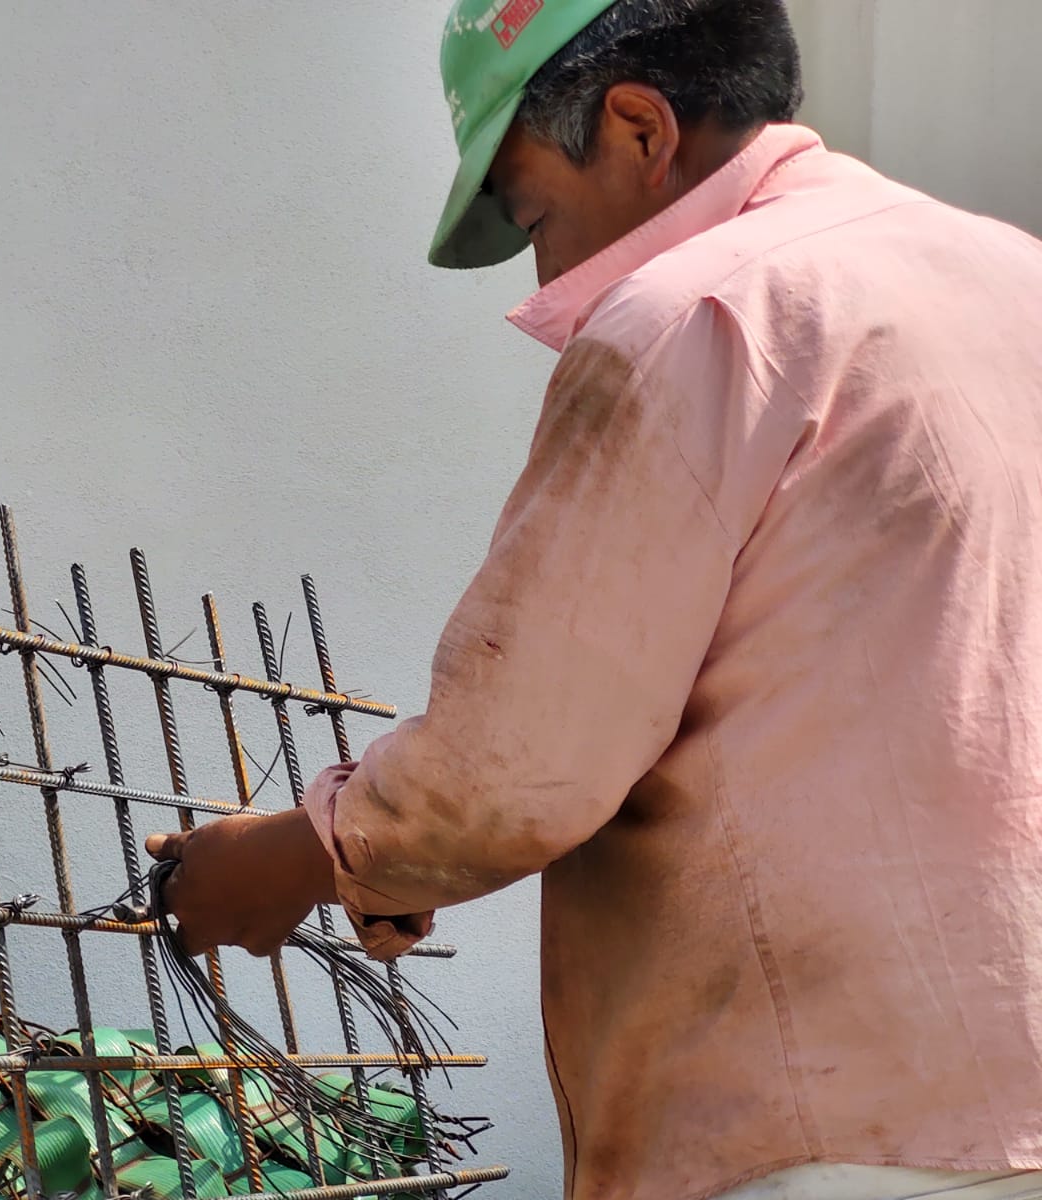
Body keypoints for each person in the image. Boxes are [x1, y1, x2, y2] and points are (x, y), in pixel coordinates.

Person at [144, 1, 1042, 1198]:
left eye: (533, 215)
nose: (546, 270)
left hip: (814, 1128)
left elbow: (516, 767)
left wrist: (298, 858)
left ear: (635, 128)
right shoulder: (1008, 275)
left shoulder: (701, 312)